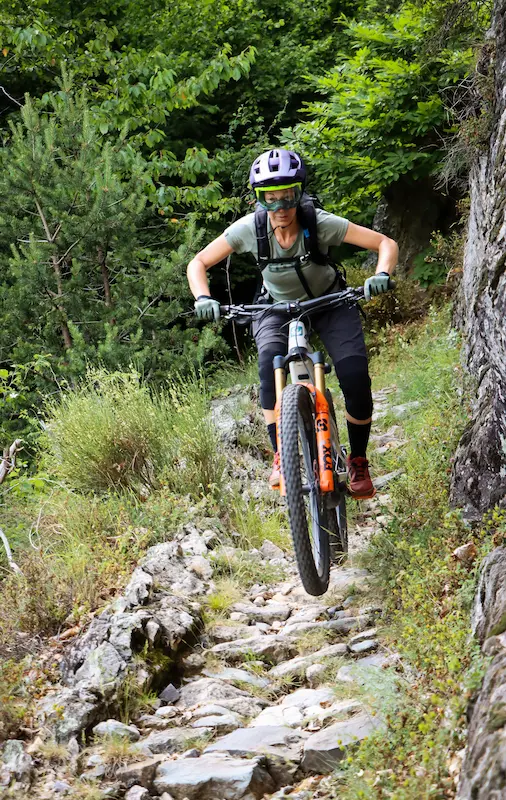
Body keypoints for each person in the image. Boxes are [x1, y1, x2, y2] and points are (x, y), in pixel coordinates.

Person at [187, 149, 398, 499]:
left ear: (299, 194)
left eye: (287, 197)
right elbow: (198, 263)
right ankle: (280, 455)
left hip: (329, 302)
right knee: (268, 367)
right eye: (270, 199)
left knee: (355, 377)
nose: (280, 207)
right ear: (259, 199)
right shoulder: (250, 229)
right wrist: (202, 297)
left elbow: (384, 243)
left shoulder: (320, 223)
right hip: (274, 307)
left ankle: (358, 460)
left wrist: (382, 274)